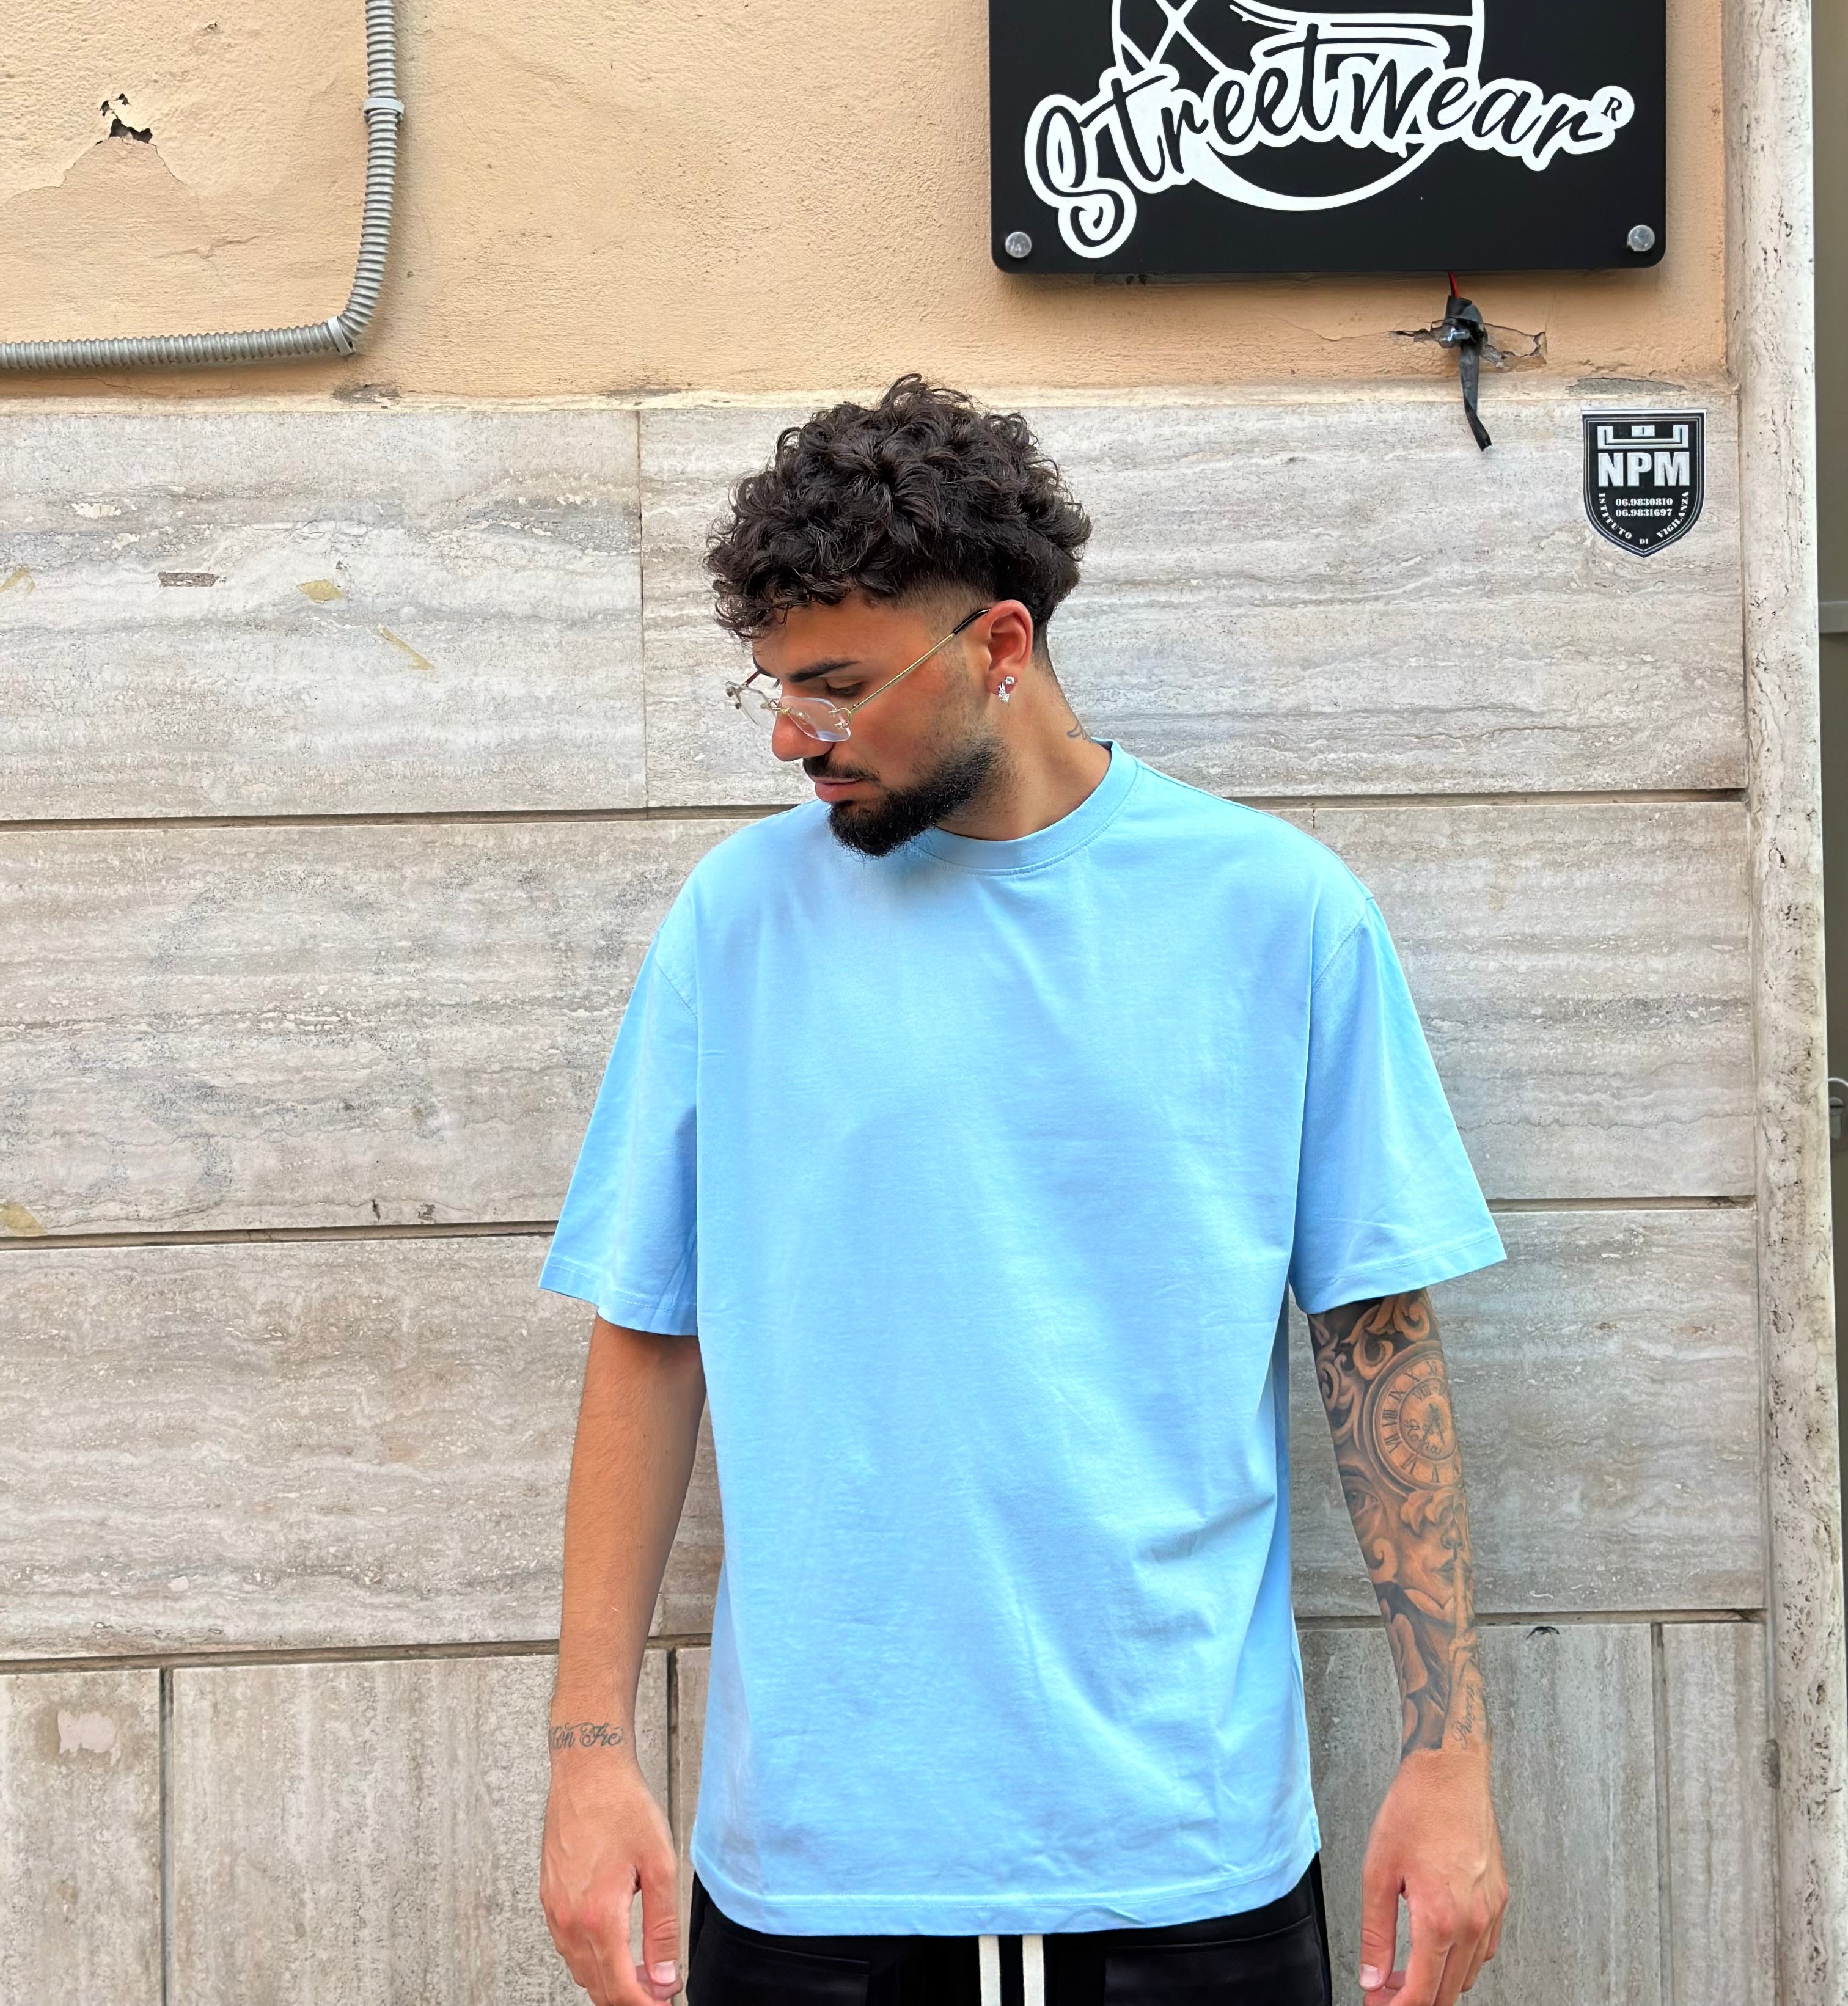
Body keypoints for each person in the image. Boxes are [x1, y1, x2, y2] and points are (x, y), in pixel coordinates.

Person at [538, 378, 1509, 2006]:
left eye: (837, 687)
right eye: (773, 688)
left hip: (1188, 1855)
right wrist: (588, 1751)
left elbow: (1378, 1341)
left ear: (999, 645)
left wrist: (1451, 1755)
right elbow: (648, 1331)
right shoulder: (737, 923)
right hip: (823, 1870)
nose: (790, 737)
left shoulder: (1277, 913)